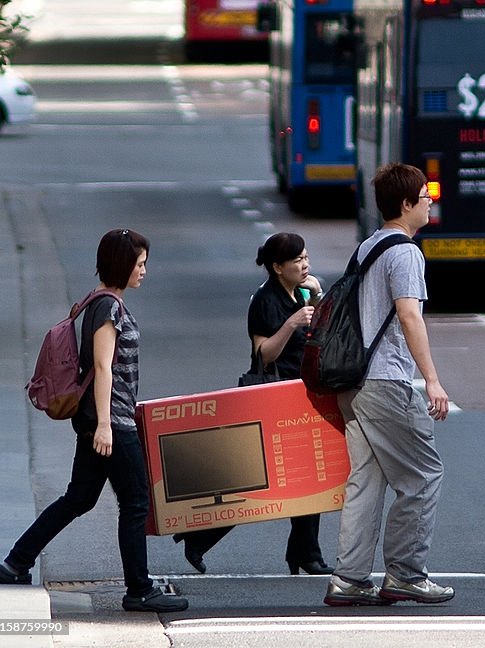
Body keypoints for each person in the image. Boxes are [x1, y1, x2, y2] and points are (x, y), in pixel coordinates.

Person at [0, 229, 188, 612]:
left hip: (102, 421)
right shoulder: (108, 308)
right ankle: (139, 589)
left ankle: (16, 562)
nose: (144, 271)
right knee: (135, 501)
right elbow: (101, 366)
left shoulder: (96, 303)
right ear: (123, 264)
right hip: (110, 424)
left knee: (79, 497)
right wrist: (104, 425)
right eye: (140, 264)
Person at [324, 163, 453, 606]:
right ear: (406, 204)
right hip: (386, 380)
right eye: (424, 195)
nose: (430, 200)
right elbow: (409, 314)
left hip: (352, 384)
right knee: (423, 474)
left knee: (367, 479)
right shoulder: (406, 253)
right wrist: (431, 381)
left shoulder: (368, 247)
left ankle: (349, 579)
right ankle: (405, 574)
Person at [173, 232, 331, 576]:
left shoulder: (302, 292)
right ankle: (197, 538)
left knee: (305, 477)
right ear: (277, 267)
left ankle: (305, 553)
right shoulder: (265, 301)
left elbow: (322, 332)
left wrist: (316, 296)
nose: (305, 265)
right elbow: (263, 352)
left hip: (298, 393)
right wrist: (291, 324)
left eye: (306, 258)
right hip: (271, 396)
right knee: (252, 480)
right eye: (297, 261)